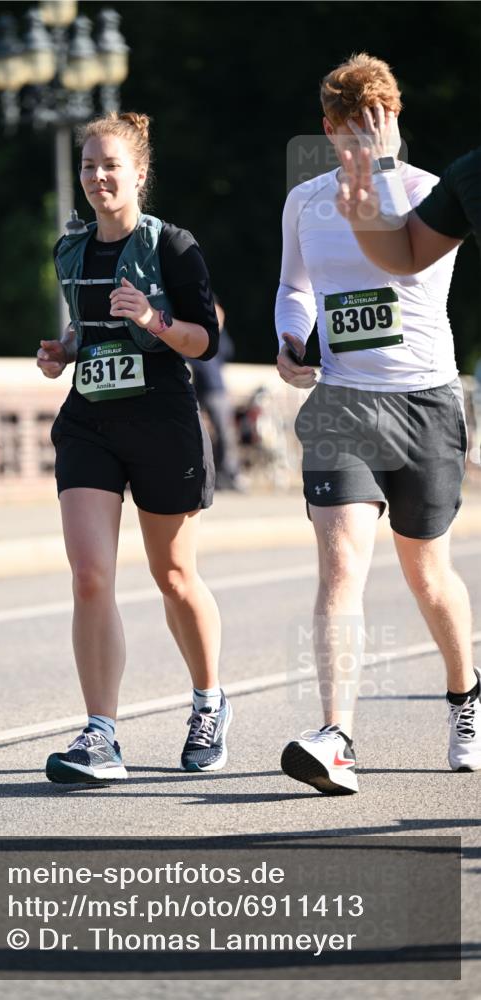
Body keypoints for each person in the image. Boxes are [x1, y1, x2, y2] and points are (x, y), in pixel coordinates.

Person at [275, 53, 480, 794]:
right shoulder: (304, 202)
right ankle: (336, 735)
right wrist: (291, 335)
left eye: (379, 125)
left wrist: (384, 174)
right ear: (328, 129)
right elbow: (294, 286)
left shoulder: (430, 192)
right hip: (342, 401)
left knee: (427, 573)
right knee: (339, 566)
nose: (364, 140)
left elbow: (405, 268)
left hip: (424, 403)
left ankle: (464, 697)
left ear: (394, 121)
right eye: (352, 130)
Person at [37, 111, 232, 785]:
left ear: (138, 174)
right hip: (89, 418)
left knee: (173, 577)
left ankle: (208, 703)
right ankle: (100, 735)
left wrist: (152, 319)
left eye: (109, 165)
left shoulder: (172, 246)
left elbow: (204, 339)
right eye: (88, 165)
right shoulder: (70, 247)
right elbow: (84, 325)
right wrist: (64, 350)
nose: (96, 176)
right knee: (90, 576)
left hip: (160, 417)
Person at [336, 132, 479, 273]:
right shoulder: (469, 172)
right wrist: (362, 218)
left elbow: (412, 277)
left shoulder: (426, 184)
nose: (372, 136)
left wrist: (385, 165)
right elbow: (409, 258)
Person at [189, 295, 245, 490]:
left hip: (216, 389)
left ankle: (228, 474)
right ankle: (199, 474)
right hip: (195, 388)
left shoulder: (217, 333)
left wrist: (219, 328)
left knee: (225, 433)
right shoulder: (191, 328)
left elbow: (227, 352)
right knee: (194, 434)